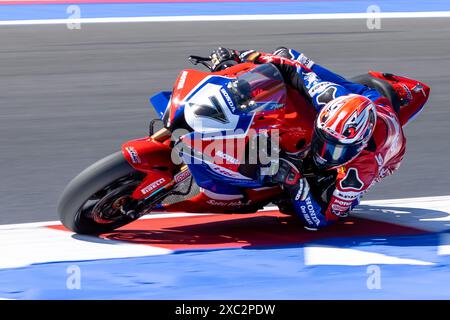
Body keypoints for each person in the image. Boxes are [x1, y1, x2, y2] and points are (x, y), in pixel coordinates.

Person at [209, 47, 407, 230]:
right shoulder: (327, 96)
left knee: (298, 202)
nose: (322, 153)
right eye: (323, 140)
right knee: (286, 54)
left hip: (387, 156)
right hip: (360, 97)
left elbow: (324, 219)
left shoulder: (364, 167)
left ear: (358, 145)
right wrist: (246, 57)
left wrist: (296, 184)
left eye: (334, 149)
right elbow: (293, 69)